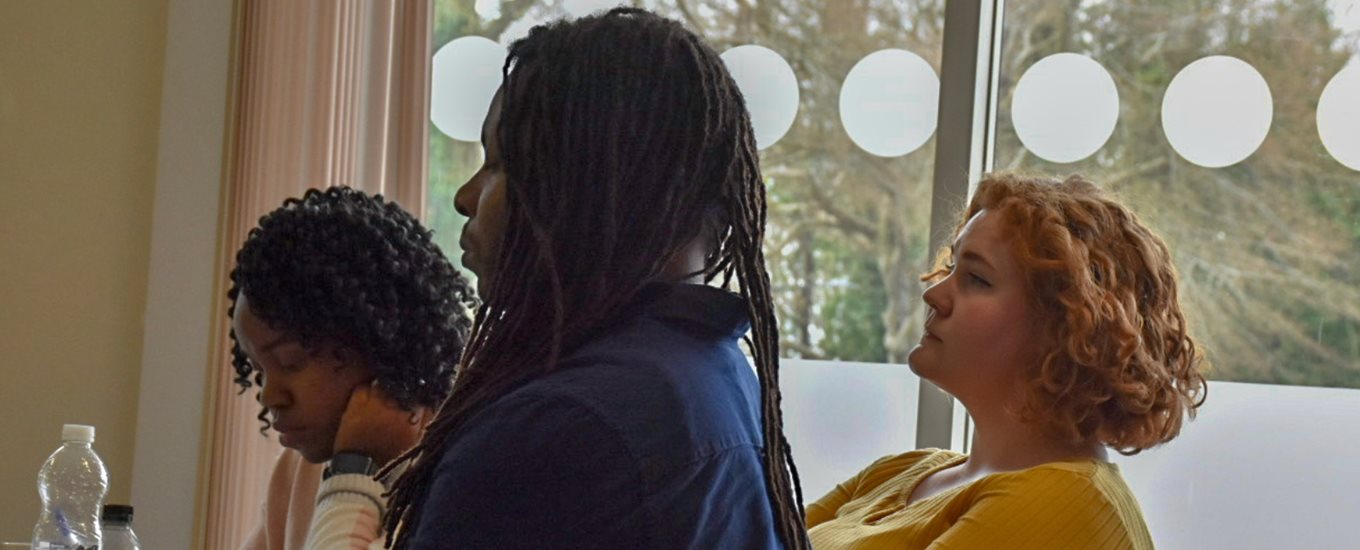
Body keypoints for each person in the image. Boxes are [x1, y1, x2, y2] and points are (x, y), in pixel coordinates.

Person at [304, 7, 811, 550]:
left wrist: (351, 477)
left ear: (589, 184)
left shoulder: (558, 427)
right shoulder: (712, 370)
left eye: (498, 163)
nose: (465, 197)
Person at [807, 173, 1208, 550]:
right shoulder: (900, 472)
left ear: (1066, 328)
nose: (934, 295)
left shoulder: (1066, 502)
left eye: (977, 279)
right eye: (951, 267)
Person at [229, 186, 475, 550]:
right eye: (259, 371)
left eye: (290, 362)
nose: (269, 395)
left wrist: (352, 467)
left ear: (378, 339)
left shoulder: (458, 465)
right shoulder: (300, 470)